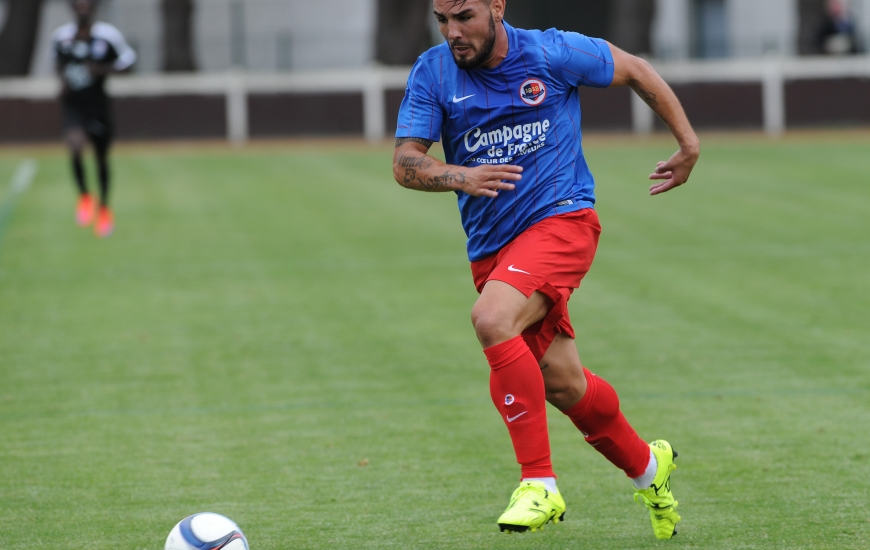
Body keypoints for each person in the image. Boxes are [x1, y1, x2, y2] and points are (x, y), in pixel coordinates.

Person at [392, 0, 699, 539]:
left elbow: (636, 69)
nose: (452, 32)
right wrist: (460, 175)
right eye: (442, 19)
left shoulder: (552, 52)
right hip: (494, 249)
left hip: (564, 221)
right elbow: (405, 161)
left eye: (464, 16)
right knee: (563, 384)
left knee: (492, 320)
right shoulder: (433, 71)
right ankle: (650, 468)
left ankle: (540, 485)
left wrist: (688, 143)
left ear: (497, 7)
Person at [51, 0, 136, 238]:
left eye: (87, 3)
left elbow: (129, 63)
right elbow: (57, 66)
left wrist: (101, 70)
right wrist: (62, 84)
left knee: (101, 159)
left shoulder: (107, 36)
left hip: (98, 106)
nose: (83, 7)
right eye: (78, 4)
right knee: (76, 147)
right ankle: (85, 196)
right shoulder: (61, 38)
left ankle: (105, 207)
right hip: (74, 106)